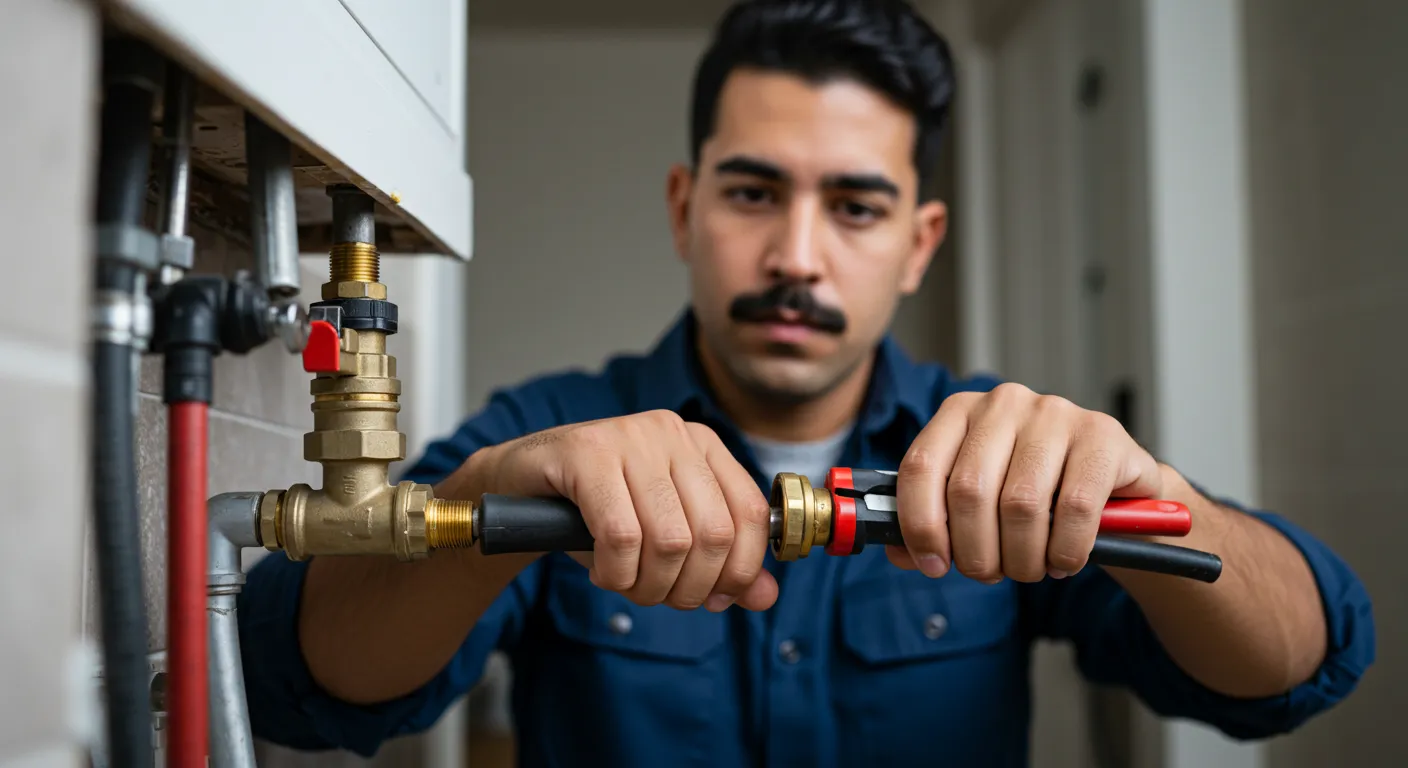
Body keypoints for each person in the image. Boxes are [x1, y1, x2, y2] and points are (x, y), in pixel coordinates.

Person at [237, 1, 1374, 765]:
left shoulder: (1007, 461)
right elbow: (299, 678)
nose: (795, 255)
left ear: (919, 244)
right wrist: (489, 498)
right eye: (752, 194)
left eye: (855, 206)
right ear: (684, 208)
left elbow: (1303, 665)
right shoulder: (546, 436)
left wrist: (1149, 494)